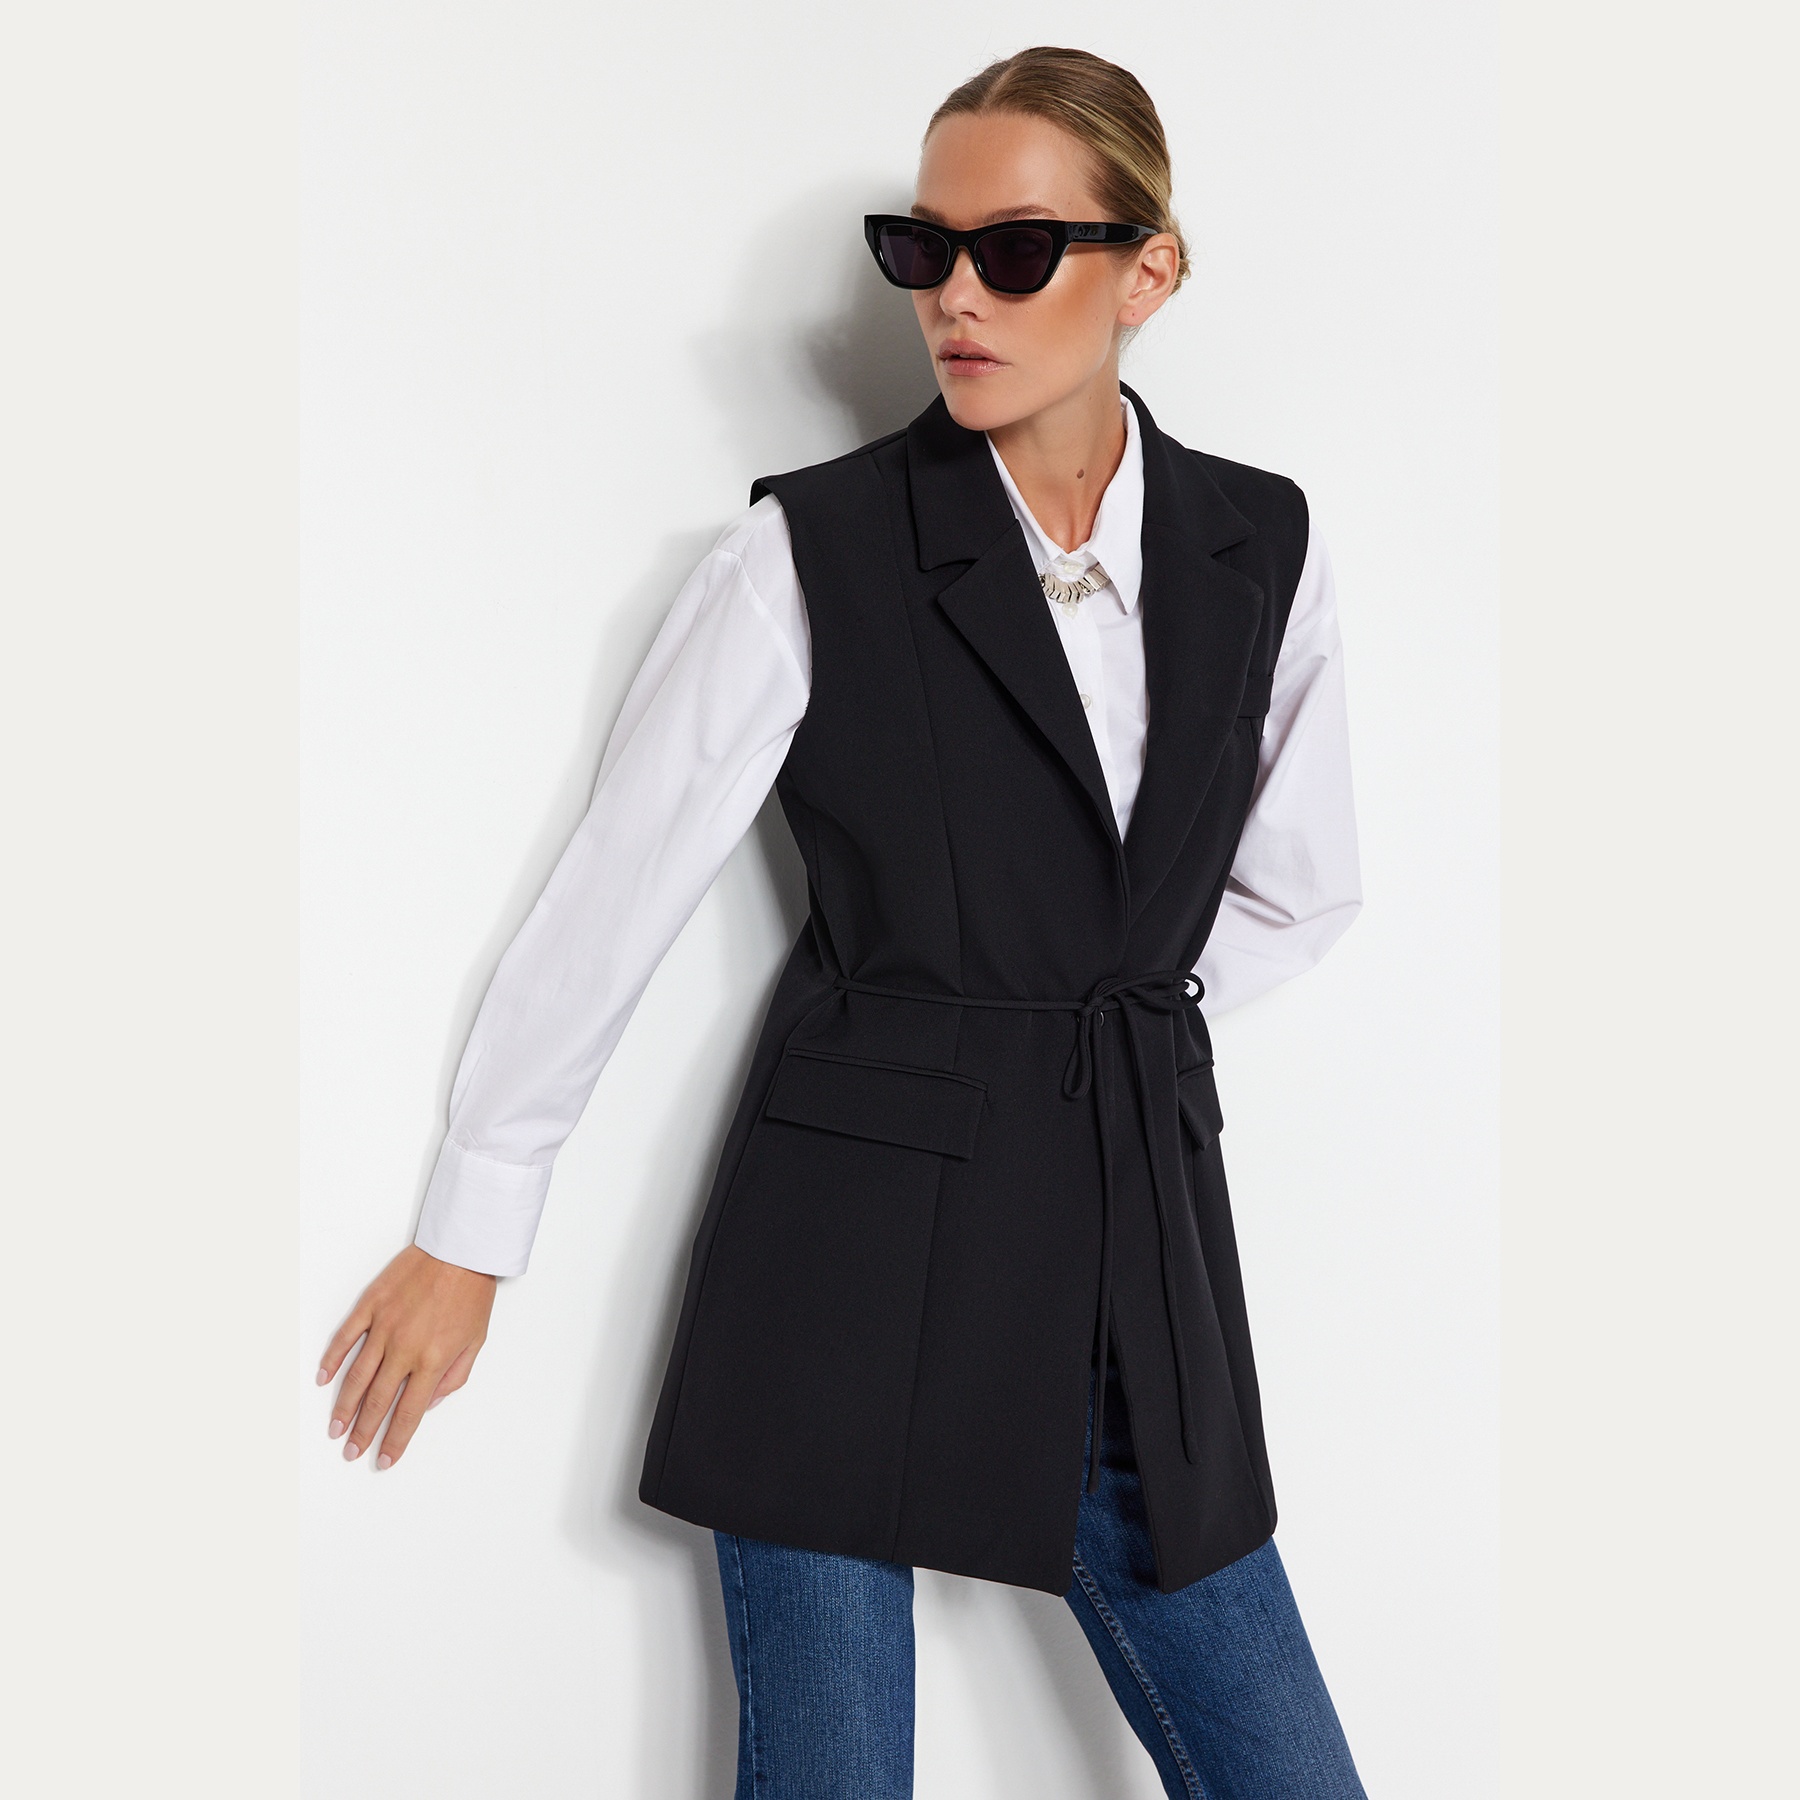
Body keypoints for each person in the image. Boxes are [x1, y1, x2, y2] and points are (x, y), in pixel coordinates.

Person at [319, 45, 1367, 1800]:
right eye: (921, 249)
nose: (954, 297)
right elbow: (617, 891)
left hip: (1132, 1232)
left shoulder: (1263, 544)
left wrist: (1083, 1034)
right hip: (846, 1251)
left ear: (1150, 270)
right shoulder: (805, 553)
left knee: (1288, 1769)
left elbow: (1302, 885)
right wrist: (472, 1224)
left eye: (1013, 252)